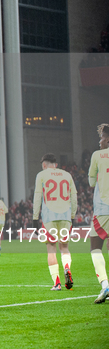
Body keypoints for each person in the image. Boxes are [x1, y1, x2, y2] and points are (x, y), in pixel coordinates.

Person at [32, 153, 77, 291]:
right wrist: (73, 216)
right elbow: (74, 196)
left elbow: (37, 197)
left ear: (44, 165)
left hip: (49, 217)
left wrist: (35, 218)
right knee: (64, 248)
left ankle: (57, 283)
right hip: (65, 216)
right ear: (55, 164)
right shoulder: (67, 175)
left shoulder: (41, 175)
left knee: (51, 249)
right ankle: (67, 268)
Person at [88, 123, 109, 304]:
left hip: (103, 209)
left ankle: (105, 284)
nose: (100, 142)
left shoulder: (97, 155)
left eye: (101, 138)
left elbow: (92, 182)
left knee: (95, 246)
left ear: (107, 139)